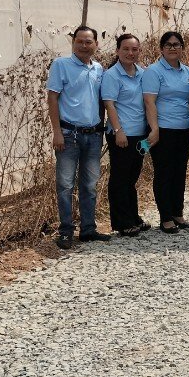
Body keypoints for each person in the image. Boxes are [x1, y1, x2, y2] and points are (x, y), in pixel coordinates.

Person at [46, 25, 108, 250]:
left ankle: (88, 229)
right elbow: (52, 98)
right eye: (79, 41)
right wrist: (57, 132)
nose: (84, 45)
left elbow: (102, 101)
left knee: (90, 184)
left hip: (93, 135)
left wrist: (101, 129)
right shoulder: (61, 65)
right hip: (68, 134)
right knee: (65, 185)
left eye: (88, 42)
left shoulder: (98, 69)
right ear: (73, 42)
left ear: (96, 44)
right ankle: (66, 231)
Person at [142, 30, 189, 234]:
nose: (173, 48)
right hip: (162, 130)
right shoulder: (154, 71)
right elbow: (149, 102)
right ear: (161, 49)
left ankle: (177, 213)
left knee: (179, 172)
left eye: (176, 45)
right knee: (164, 173)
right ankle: (165, 217)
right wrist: (154, 129)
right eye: (168, 45)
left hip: (183, 130)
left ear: (182, 48)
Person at [100, 33, 148, 238]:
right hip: (121, 135)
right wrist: (119, 131)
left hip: (142, 135)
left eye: (134, 49)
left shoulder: (143, 73)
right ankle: (122, 222)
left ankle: (133, 216)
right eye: (126, 49)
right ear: (117, 51)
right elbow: (109, 104)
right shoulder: (112, 75)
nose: (130, 53)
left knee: (133, 176)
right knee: (120, 177)